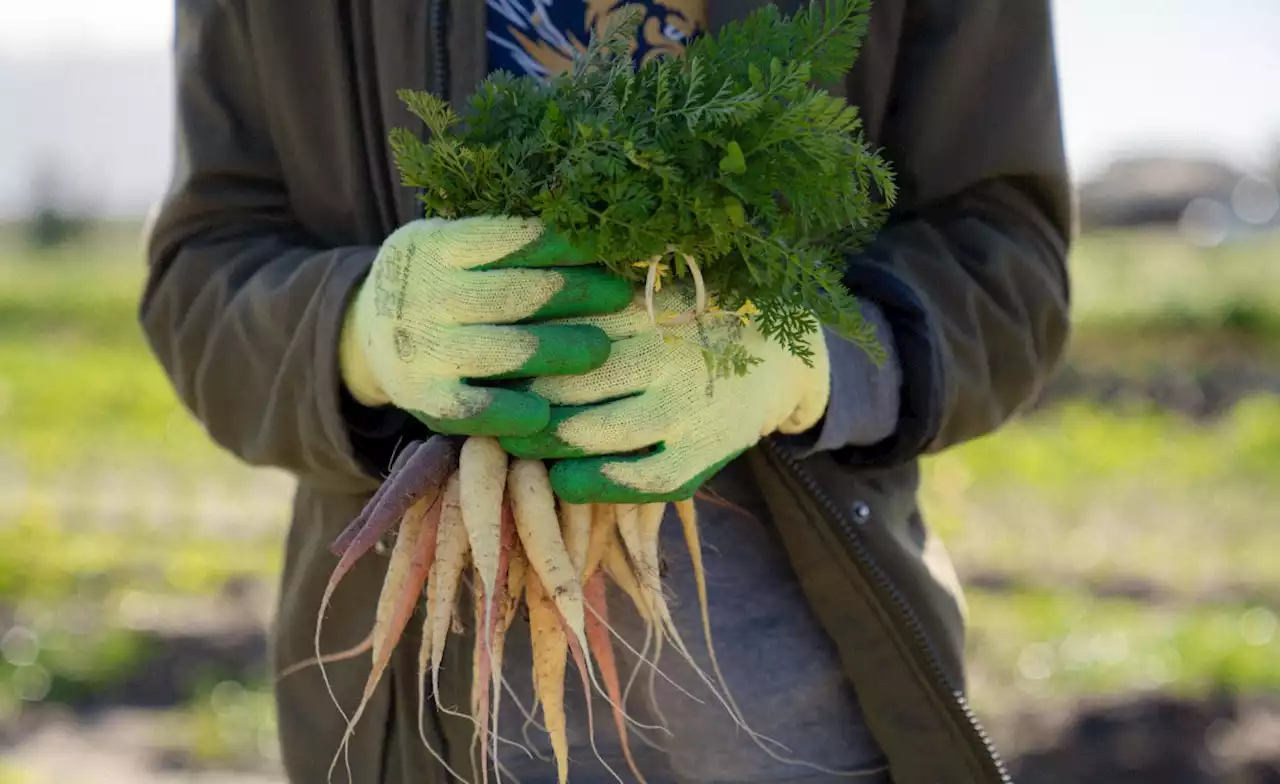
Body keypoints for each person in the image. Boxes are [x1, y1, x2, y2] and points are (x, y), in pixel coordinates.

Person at [140, 1, 1071, 782]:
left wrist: (806, 362)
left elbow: (1005, 261)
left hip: (808, 717)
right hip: (427, 741)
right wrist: (356, 331)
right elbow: (203, 274)